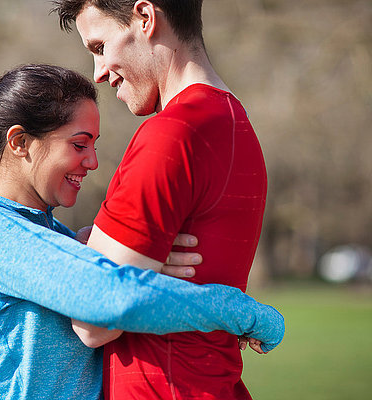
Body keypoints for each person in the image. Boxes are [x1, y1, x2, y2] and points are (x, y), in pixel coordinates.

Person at [0, 63, 283, 400]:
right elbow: (108, 299)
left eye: (94, 145)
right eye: (79, 144)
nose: (92, 161)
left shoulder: (53, 235)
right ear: (20, 142)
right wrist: (240, 312)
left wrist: (127, 257)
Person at [52, 1, 272, 399]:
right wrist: (113, 254)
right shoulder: (235, 123)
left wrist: (103, 260)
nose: (99, 74)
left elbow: (92, 321)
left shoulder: (171, 135)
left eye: (100, 47)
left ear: (146, 18)